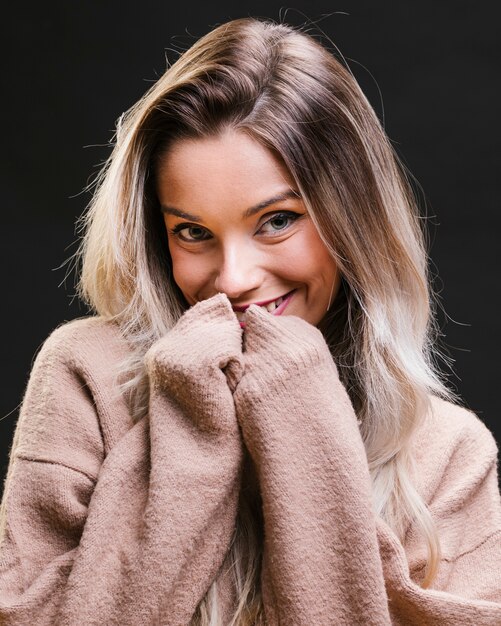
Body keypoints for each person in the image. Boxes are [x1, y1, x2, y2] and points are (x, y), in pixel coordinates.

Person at [0, 16, 500, 626]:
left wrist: (304, 426)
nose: (233, 278)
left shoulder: (448, 453)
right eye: (193, 232)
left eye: (277, 220)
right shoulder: (86, 375)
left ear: (354, 219)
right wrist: (189, 430)